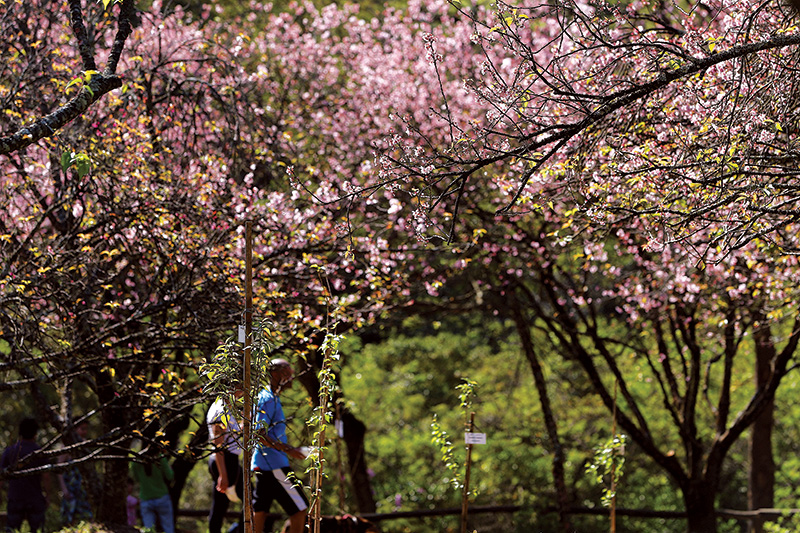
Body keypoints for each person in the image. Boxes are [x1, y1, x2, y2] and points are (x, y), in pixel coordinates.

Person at [252, 359, 308, 533]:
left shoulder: (271, 397)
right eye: (288, 373)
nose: (292, 378)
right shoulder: (267, 399)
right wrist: (288, 450)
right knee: (300, 508)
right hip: (273, 465)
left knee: (260, 510)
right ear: (275, 374)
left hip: (265, 463)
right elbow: (258, 434)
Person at [0, 418, 51, 532]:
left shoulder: (10, 451)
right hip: (35, 498)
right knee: (37, 529)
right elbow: (46, 476)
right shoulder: (38, 451)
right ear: (35, 433)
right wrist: (47, 495)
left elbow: (1, 476)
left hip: (15, 498)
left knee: (12, 529)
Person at [207, 382, 244, 533]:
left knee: (221, 505)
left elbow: (230, 433)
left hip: (229, 460)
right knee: (250, 500)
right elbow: (219, 445)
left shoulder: (228, 408)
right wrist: (223, 475)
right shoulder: (220, 410)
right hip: (224, 460)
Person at [130, 449, 175, 533]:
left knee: (149, 528)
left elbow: (136, 478)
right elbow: (170, 476)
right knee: (168, 527)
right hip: (162, 497)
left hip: (145, 497)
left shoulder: (136, 461)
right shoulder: (160, 458)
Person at [58, 419, 93, 526]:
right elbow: (59, 469)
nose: (84, 432)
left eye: (86, 429)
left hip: (83, 490)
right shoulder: (66, 447)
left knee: (87, 518)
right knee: (69, 519)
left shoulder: (85, 445)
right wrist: (64, 489)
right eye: (82, 429)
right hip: (70, 488)